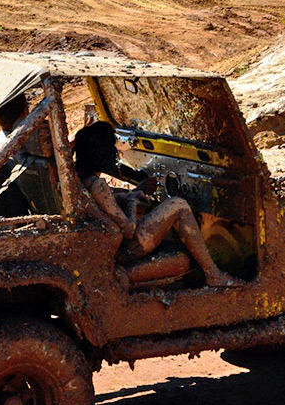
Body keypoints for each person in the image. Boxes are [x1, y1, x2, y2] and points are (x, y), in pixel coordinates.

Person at [74, 121, 240, 288]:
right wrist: (132, 202)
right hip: (125, 250)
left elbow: (108, 198)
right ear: (101, 153)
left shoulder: (79, 180)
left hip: (107, 249)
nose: (115, 153)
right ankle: (213, 273)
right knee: (178, 205)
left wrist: (135, 192)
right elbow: (129, 230)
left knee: (180, 259)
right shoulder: (98, 186)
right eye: (112, 148)